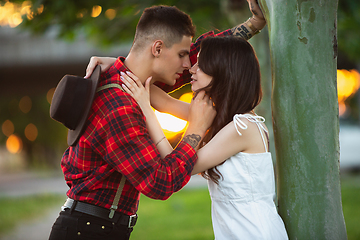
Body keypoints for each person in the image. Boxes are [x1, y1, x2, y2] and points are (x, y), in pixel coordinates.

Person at [49, 2, 266, 240]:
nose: (188, 65)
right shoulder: (118, 106)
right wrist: (195, 130)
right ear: (157, 48)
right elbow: (160, 182)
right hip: (88, 231)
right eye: (182, 55)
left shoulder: (134, 81)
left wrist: (253, 24)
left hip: (99, 226)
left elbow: (206, 59)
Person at [120, 36, 288, 239]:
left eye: (201, 64)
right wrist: (118, 66)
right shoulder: (221, 118)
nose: (192, 69)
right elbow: (163, 102)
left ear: (223, 71)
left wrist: (146, 110)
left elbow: (178, 165)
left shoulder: (242, 127)